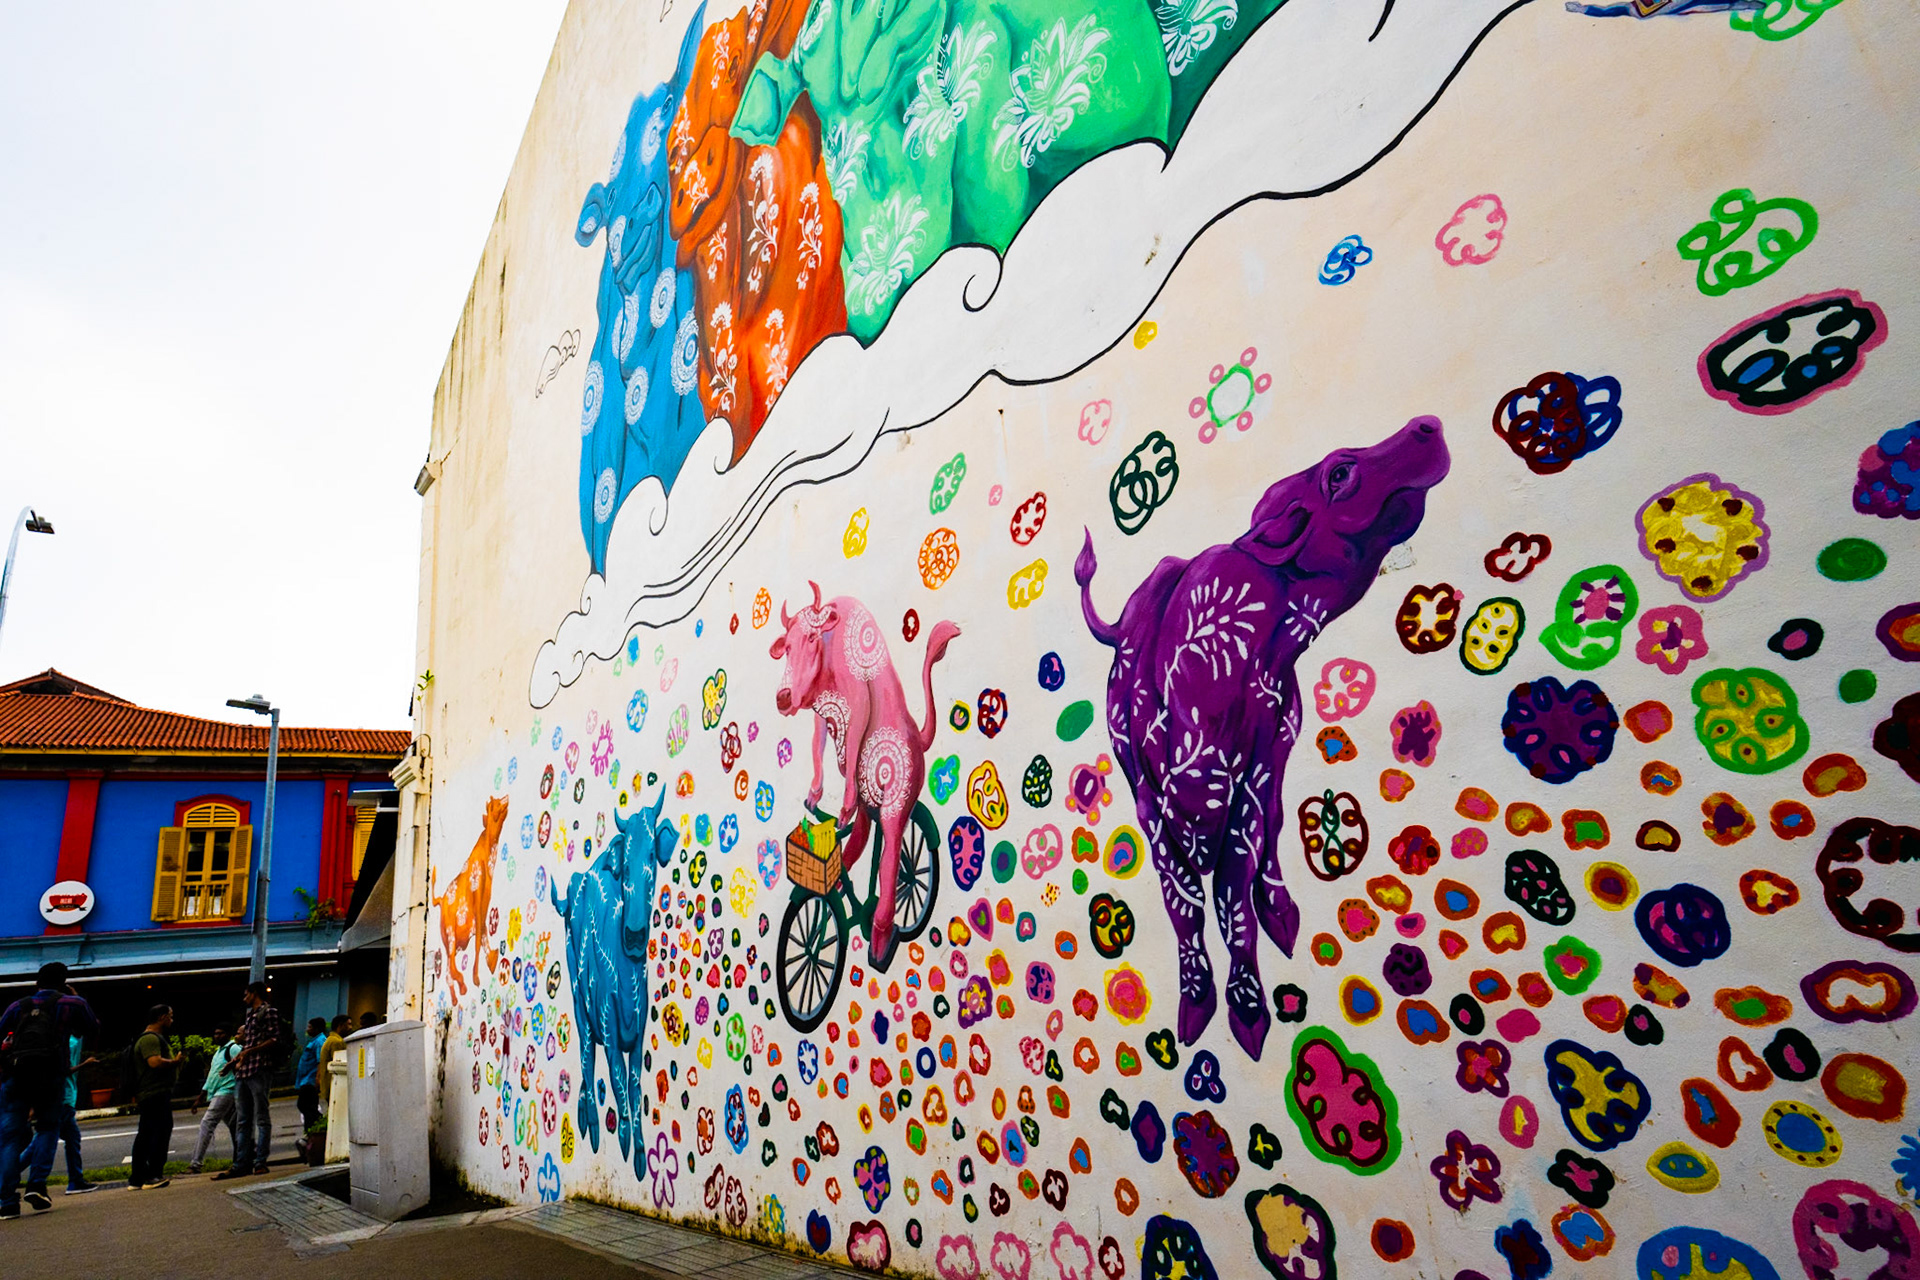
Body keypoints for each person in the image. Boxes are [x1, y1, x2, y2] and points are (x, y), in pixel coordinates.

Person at [0, 962, 99, 1218]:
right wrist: (76, 997)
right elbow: (93, 1029)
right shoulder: (71, 1003)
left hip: (16, 1077)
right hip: (50, 1077)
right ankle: (36, 1186)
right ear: (64, 983)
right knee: (46, 1128)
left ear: (36, 983)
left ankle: (7, 1201)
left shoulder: (16, 1006)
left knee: (9, 1138)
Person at [215, 982, 283, 1180]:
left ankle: (260, 1162)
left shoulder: (268, 1012)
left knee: (261, 1117)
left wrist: (249, 1052)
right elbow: (249, 1044)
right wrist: (234, 1062)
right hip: (244, 1071)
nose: (244, 997)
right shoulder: (250, 1015)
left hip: (260, 1069)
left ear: (254, 994)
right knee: (243, 1120)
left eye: (246, 994)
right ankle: (241, 1164)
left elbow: (274, 1039)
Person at [129, 1005, 183, 1190]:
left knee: (146, 1133)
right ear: (161, 1017)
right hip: (155, 1093)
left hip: (151, 1094)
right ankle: (152, 1175)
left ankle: (137, 1178)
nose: (172, 1020)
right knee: (159, 1133)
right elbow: (154, 1062)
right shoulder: (151, 1038)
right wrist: (175, 1062)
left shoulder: (147, 1038)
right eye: (170, 1016)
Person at [188, 1027, 239, 1174]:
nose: (217, 1036)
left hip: (227, 1091)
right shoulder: (218, 1052)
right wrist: (200, 1097)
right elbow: (212, 1077)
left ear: (228, 1034)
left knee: (207, 1123)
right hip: (217, 1092)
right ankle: (246, 1155)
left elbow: (243, 1062)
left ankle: (196, 1163)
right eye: (215, 1033)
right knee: (234, 1127)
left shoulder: (233, 1048)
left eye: (221, 1033)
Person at [294, 1018, 327, 1135]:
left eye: (310, 1027)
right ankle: (311, 1131)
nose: (307, 1030)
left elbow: (320, 1062)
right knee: (306, 1106)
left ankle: (316, 1129)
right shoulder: (314, 1041)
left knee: (306, 1106)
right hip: (305, 1080)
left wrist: (318, 1079)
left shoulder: (319, 1042)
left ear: (317, 1028)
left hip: (310, 1081)